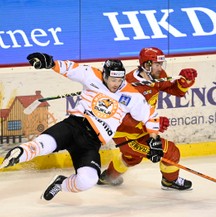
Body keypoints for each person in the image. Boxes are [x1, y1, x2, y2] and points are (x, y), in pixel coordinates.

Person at [0, 52, 164, 201]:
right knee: (42, 145)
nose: (116, 84)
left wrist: (154, 141)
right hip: (73, 126)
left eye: (120, 80)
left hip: (92, 143)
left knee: (88, 180)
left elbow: (151, 116)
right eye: (113, 80)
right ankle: (20, 153)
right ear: (104, 75)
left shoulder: (132, 95)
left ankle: (61, 184)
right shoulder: (92, 75)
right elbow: (70, 68)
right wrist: (50, 63)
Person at [98, 47, 198, 190]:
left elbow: (173, 90)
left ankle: (108, 177)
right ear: (146, 65)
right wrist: (151, 124)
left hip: (144, 130)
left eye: (160, 64)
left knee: (131, 159)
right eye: (157, 64)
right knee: (171, 151)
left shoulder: (156, 75)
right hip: (126, 135)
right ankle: (170, 182)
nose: (160, 68)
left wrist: (184, 83)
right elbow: (120, 117)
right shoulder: (128, 86)